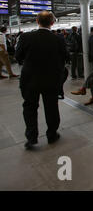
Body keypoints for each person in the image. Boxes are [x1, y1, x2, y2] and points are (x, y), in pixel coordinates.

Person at [15, 11, 67, 150]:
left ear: (37, 21)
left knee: (30, 107)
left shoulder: (25, 37)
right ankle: (52, 135)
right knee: (51, 107)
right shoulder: (59, 39)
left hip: (29, 79)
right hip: (51, 80)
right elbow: (65, 58)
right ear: (52, 23)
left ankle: (31, 138)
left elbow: (18, 56)